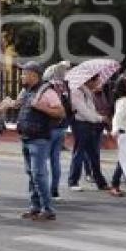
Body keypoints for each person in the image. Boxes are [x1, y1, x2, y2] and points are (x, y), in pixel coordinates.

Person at [14, 61, 65, 221]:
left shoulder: (47, 91)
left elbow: (60, 112)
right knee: (31, 174)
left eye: (24, 73)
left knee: (38, 174)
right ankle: (35, 207)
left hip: (39, 139)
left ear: (33, 75)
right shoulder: (26, 90)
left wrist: (43, 108)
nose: (21, 76)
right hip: (26, 137)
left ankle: (48, 209)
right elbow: (18, 105)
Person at [68, 75, 110, 191]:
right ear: (89, 81)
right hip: (80, 125)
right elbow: (84, 111)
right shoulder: (77, 91)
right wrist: (100, 118)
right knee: (79, 154)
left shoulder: (87, 92)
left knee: (94, 155)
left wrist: (98, 118)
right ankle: (73, 181)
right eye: (96, 81)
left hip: (90, 125)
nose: (98, 83)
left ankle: (100, 182)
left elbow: (91, 110)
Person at [42, 62, 72, 199]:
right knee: (55, 160)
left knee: (42, 161)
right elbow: (69, 108)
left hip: (49, 127)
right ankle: (54, 190)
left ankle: (43, 189)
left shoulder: (48, 89)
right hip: (62, 127)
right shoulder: (65, 88)